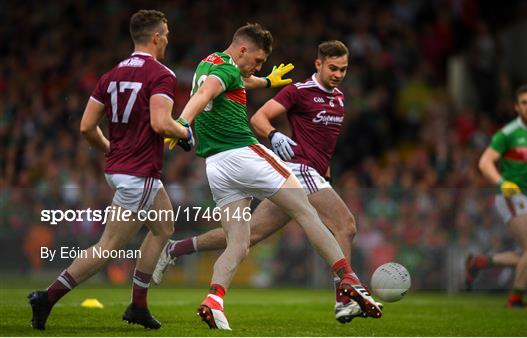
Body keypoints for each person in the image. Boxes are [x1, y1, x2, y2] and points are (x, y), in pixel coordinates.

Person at [165, 24, 381, 330]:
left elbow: (230, 80)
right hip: (243, 153)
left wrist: (266, 80)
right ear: (242, 50)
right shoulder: (226, 71)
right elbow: (206, 91)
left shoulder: (210, 62)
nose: (259, 66)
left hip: (216, 165)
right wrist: (182, 123)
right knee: (306, 211)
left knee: (239, 244)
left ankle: (213, 300)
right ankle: (348, 280)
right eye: (258, 60)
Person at [28, 10, 193, 330]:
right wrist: (185, 133)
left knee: (164, 228)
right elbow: (161, 123)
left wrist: (113, 149)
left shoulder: (112, 74)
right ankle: (47, 297)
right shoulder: (162, 74)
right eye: (167, 34)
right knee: (108, 246)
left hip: (121, 168)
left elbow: (87, 127)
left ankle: (138, 306)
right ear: (157, 37)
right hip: (139, 172)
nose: (168, 40)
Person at [466, 84, 527, 308]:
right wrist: (501, 182)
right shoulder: (507, 134)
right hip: (510, 196)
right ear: (517, 107)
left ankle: (481, 262)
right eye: (525, 103)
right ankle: (515, 298)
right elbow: (485, 162)